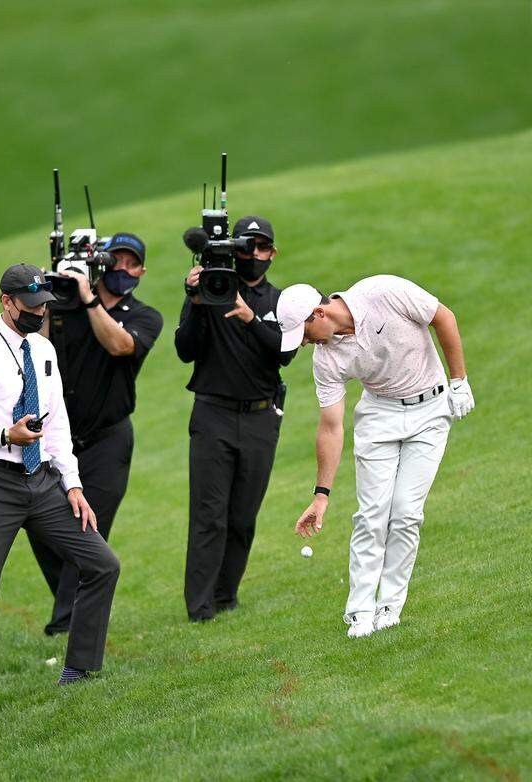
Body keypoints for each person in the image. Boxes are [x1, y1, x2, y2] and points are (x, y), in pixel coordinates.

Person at [0, 263, 121, 719]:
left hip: (43, 482)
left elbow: (56, 423)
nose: (40, 313)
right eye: (32, 306)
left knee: (102, 564)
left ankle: (81, 667)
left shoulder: (43, 348)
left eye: (44, 306)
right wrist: (3, 435)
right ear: (6, 302)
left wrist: (72, 484)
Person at [278, 275, 475, 638]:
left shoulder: (383, 292)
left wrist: (459, 381)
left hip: (430, 411)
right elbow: (331, 427)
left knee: (405, 513)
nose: (305, 344)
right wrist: (321, 496)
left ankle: (390, 606)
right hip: (379, 418)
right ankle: (360, 612)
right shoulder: (326, 359)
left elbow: (443, 317)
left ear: (319, 313)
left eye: (304, 335)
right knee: (371, 515)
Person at [28, 233, 162, 636]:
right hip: (56, 440)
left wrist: (89, 300)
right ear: (101, 264)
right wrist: (52, 298)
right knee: (41, 528)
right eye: (115, 260)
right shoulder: (65, 307)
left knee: (87, 529)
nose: (122, 269)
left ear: (141, 270)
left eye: (131, 262)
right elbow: (36, 348)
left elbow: (121, 346)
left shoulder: (143, 315)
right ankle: (70, 606)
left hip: (108, 439)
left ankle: (66, 625)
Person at [174, 216, 296, 621]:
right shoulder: (214, 287)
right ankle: (201, 607)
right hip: (213, 415)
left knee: (242, 516)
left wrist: (249, 317)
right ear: (235, 249)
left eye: (262, 247)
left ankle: (226, 595)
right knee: (208, 515)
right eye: (247, 246)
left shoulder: (280, 302)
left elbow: (285, 353)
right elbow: (185, 349)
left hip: (261, 418)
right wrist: (194, 299)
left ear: (272, 253)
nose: (254, 254)